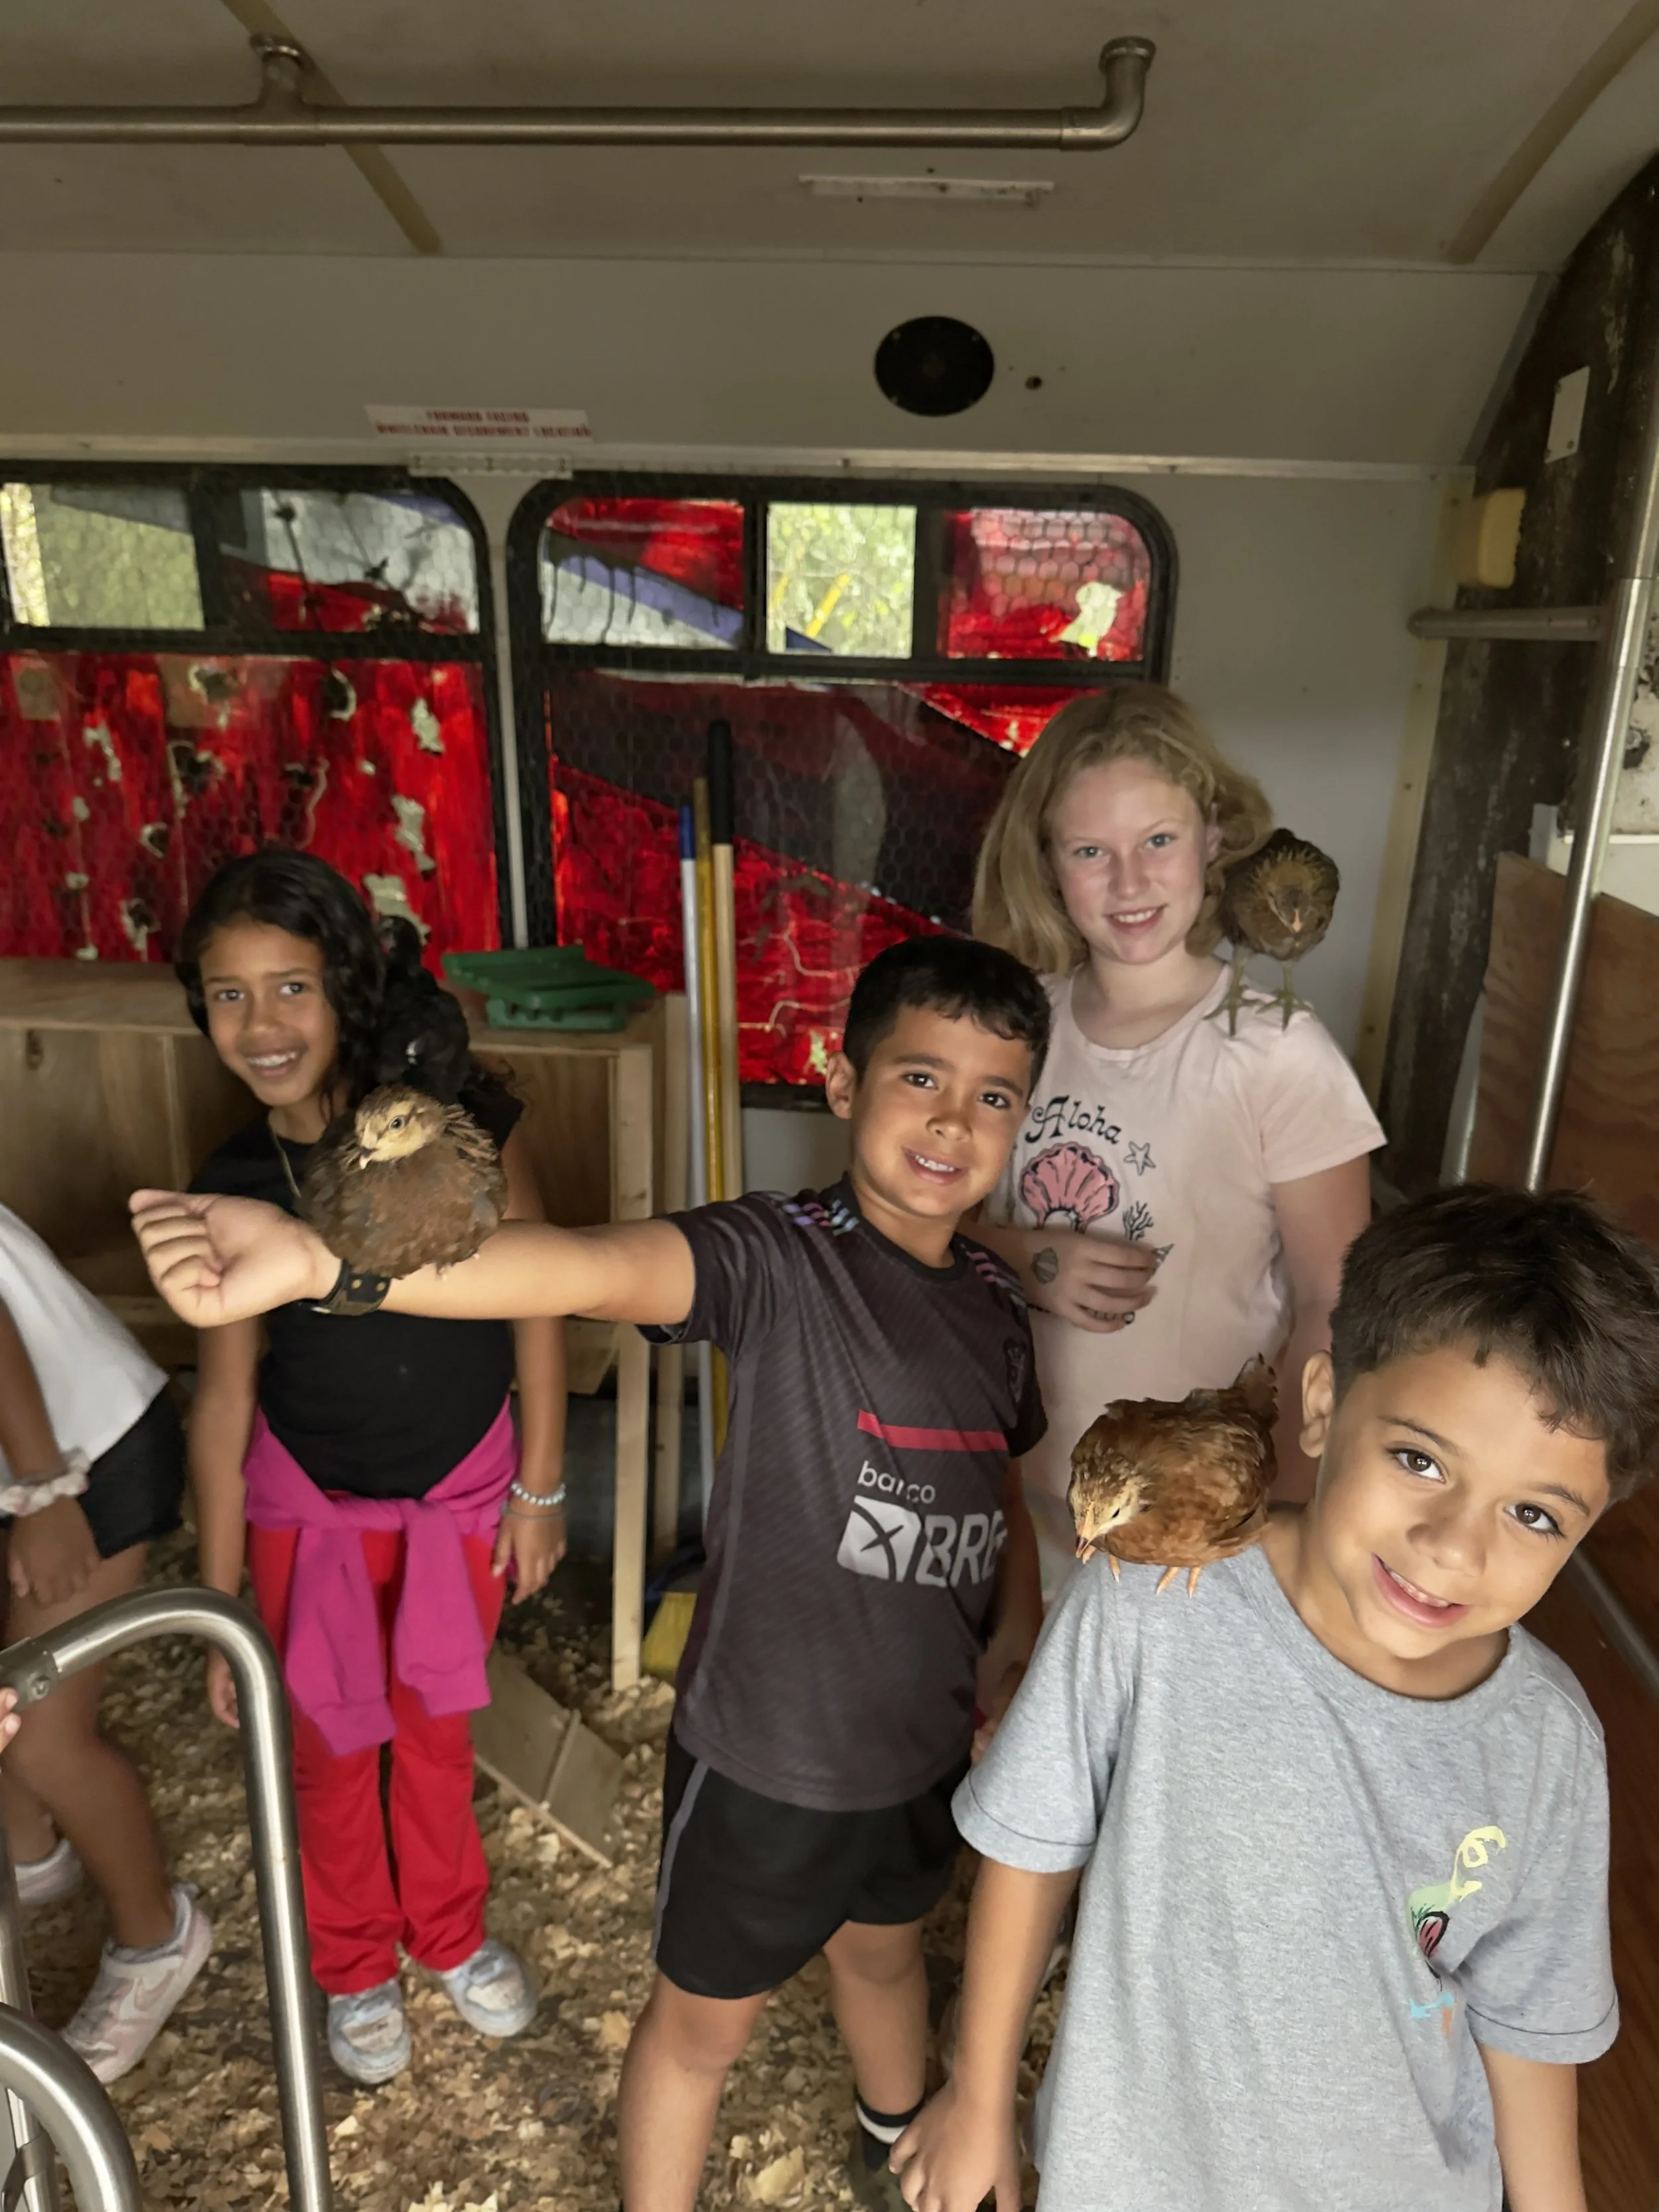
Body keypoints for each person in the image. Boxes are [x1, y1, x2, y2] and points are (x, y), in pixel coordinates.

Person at [130, 934, 1051, 2212]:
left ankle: (895, 2135)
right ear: (843, 1087)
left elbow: (1000, 1485)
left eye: (993, 1096)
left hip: (919, 1751)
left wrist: (1017, 1634)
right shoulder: (780, 1259)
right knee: (700, 2030)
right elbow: (575, 1263)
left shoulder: (999, 1305)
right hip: (769, 1764)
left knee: (889, 1958)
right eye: (919, 1079)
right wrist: (323, 1265)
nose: (953, 1120)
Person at [887, 1184, 1654, 2212]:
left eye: (1534, 1514)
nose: (1454, 1547)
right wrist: (978, 2095)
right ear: (1326, 1402)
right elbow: (1032, 1846)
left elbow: (1529, 2027)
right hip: (1126, 2180)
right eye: (1420, 1460)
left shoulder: (1547, 1745)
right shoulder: (1151, 1597)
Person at [176, 851, 567, 2087]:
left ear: (348, 986)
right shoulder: (234, 1187)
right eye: (228, 995)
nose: (261, 1024)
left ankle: (448, 1935)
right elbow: (225, 1400)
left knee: (437, 1735)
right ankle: (353, 1962)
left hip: (460, 1499)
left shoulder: (465, 1135)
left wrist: (542, 1486)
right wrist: (221, 1600)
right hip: (309, 1521)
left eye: (289, 987)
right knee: (332, 1758)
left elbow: (544, 1308)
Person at [972, 684, 1382, 1587]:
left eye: (1157, 841)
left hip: (1199, 1535)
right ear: (1047, 864)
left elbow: (1334, 1301)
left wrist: (1289, 1517)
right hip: (1023, 1499)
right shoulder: (1014, 1033)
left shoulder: (1279, 1052)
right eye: (1091, 851)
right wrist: (1019, 1252)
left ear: (1211, 838)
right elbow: (926, 1225)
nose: (1129, 883)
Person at [0, 1203, 210, 2081]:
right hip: (27, 1464)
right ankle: (31, 1857)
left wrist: (47, 1490)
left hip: (83, 1448)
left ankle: (155, 1937)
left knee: (46, 1736)